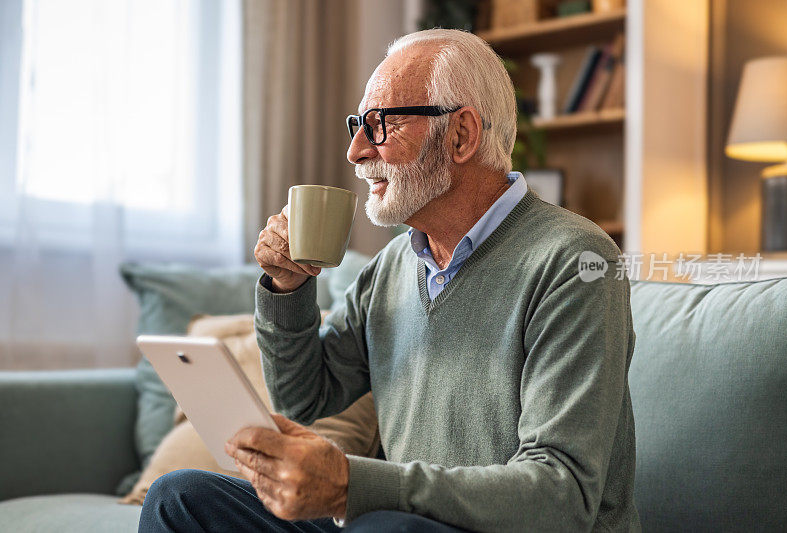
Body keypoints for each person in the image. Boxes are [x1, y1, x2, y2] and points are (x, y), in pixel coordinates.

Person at [139, 28, 641, 532]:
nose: (356, 151)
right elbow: (305, 399)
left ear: (461, 134)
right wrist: (287, 289)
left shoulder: (575, 262)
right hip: (395, 524)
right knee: (179, 498)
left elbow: (562, 494)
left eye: (381, 124)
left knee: (388, 527)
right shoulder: (393, 265)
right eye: (358, 124)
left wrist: (356, 485)